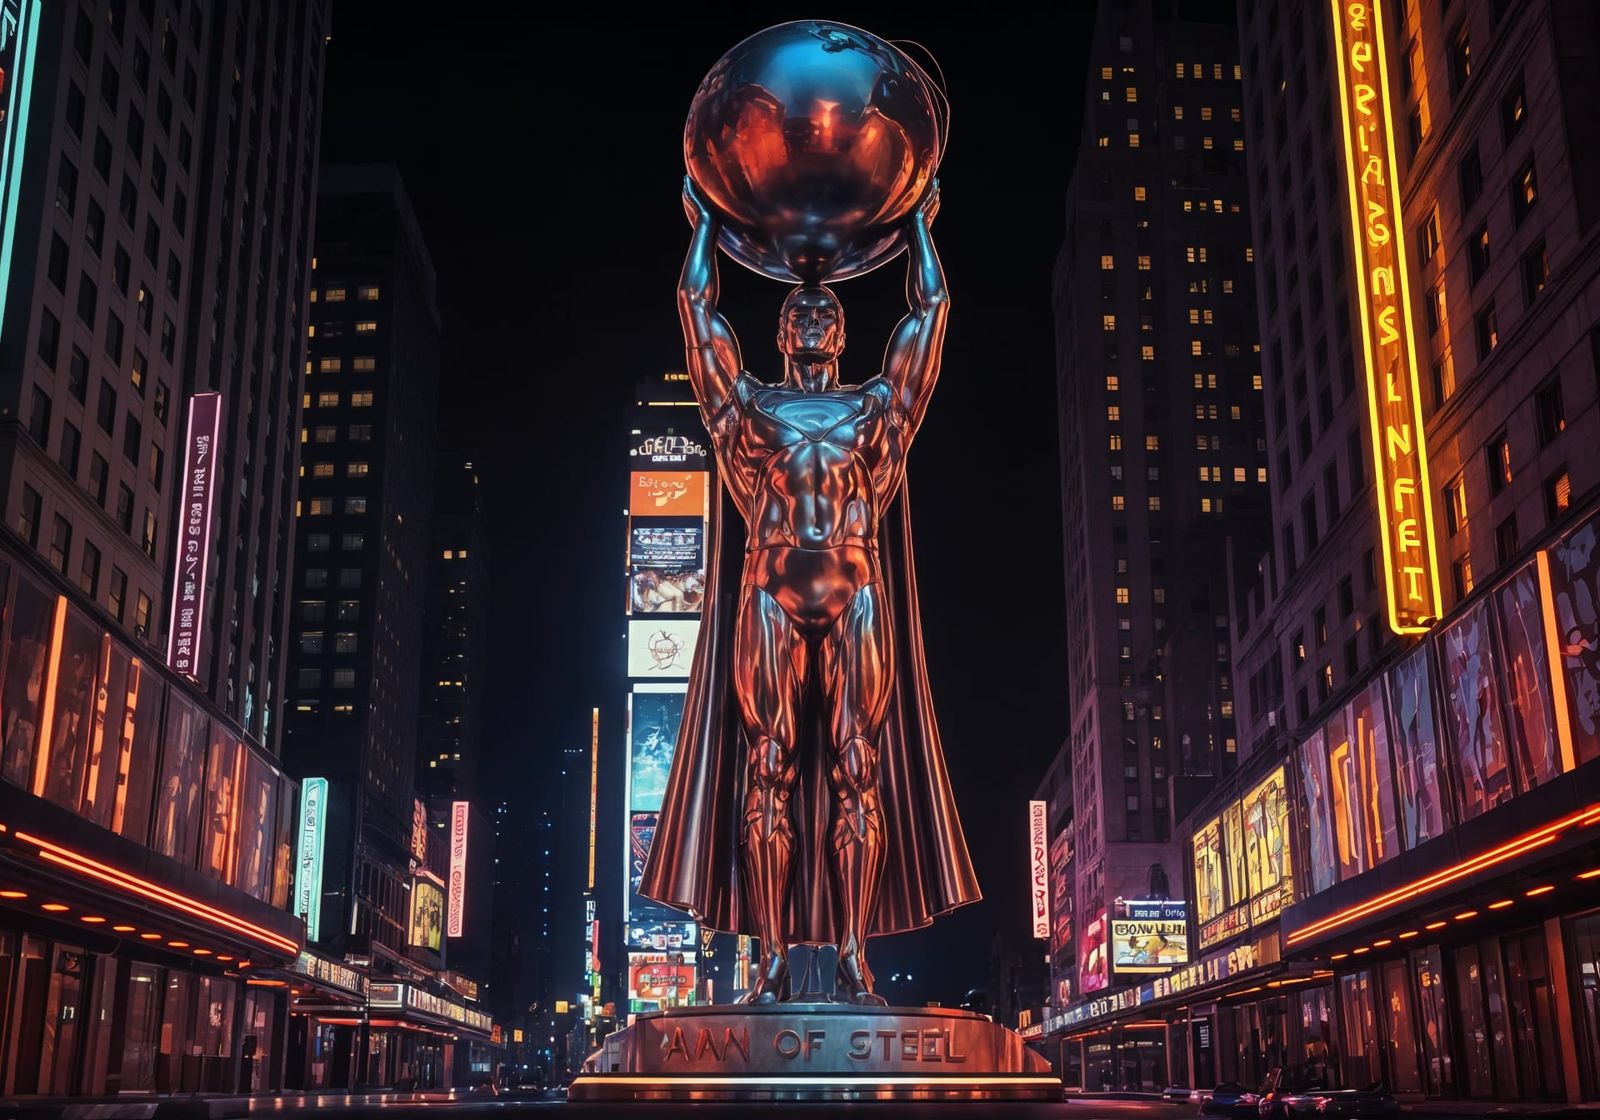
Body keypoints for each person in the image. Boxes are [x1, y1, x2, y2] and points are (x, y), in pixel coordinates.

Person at [642, 177, 978, 1005]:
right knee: (768, 766)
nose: (816, 320)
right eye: (801, 314)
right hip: (771, 586)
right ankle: (768, 962)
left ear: (842, 330)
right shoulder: (749, 409)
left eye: (828, 315)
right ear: (783, 329)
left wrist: (920, 229)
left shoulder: (874, 410)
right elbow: (695, 309)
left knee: (859, 764)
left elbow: (930, 315)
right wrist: (709, 228)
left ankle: (857, 955)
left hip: (857, 584)